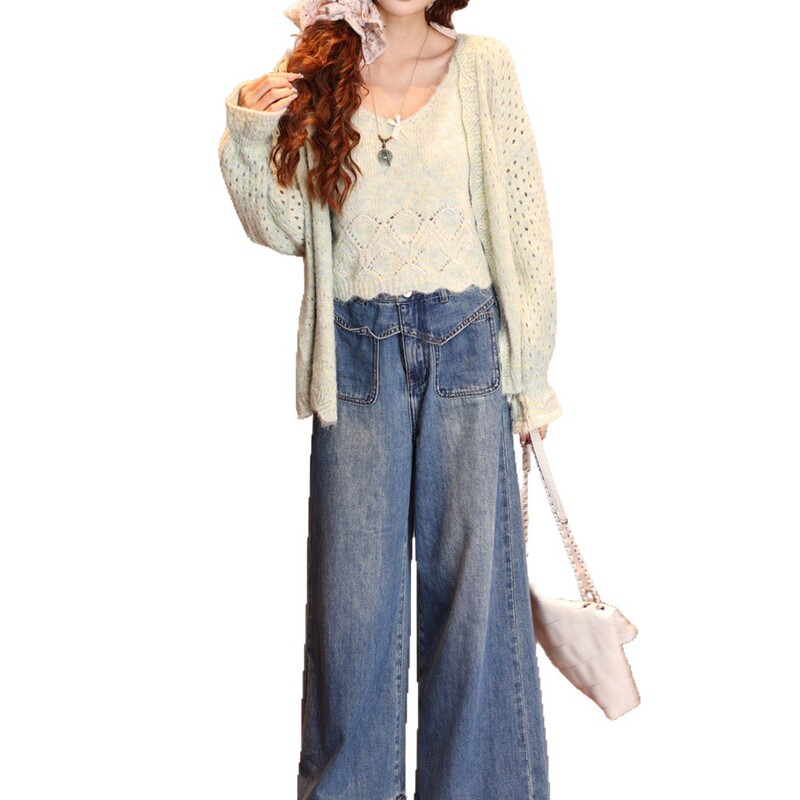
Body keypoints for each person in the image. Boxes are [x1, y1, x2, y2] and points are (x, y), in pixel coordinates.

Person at [218, 1, 564, 797]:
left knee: (473, 612)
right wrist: (250, 131)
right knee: (353, 617)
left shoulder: (483, 66)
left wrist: (531, 377)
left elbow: (525, 230)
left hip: (468, 354)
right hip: (356, 360)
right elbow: (286, 227)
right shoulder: (321, 72)